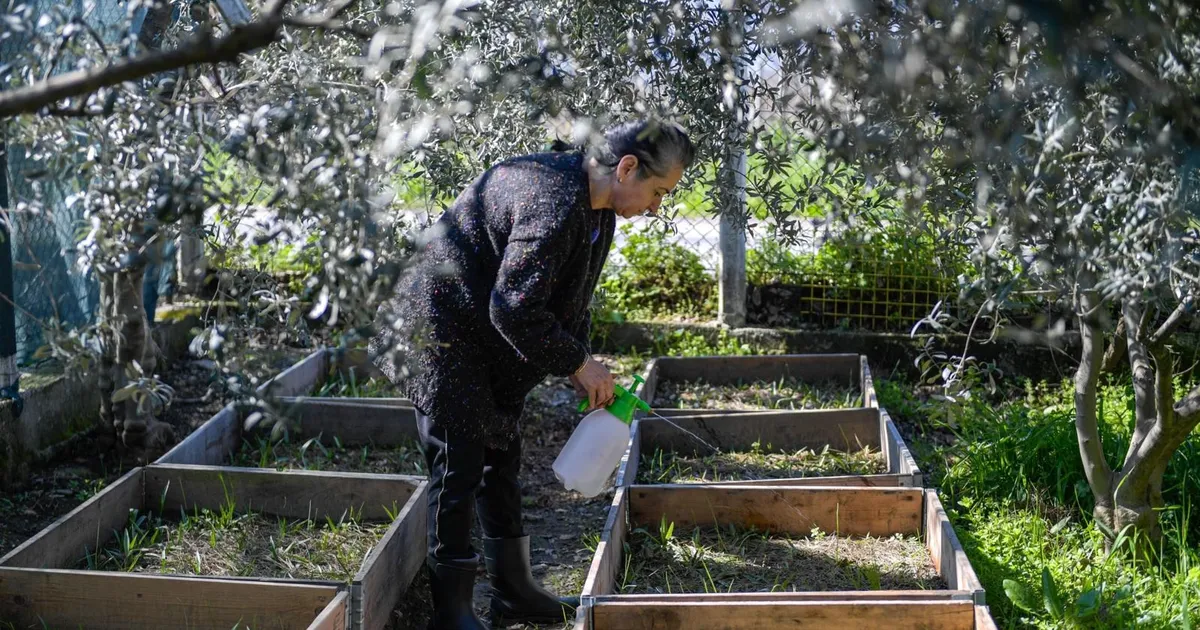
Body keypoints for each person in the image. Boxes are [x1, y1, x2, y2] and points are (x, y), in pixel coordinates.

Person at [369, 118, 696, 629]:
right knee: (457, 470)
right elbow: (513, 309)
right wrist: (578, 363)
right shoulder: (555, 202)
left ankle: (513, 591)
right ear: (627, 168)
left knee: (500, 458)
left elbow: (570, 299)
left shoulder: (596, 210)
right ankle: (450, 613)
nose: (656, 207)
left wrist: (579, 358)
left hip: (481, 334)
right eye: (658, 192)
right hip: (438, 328)